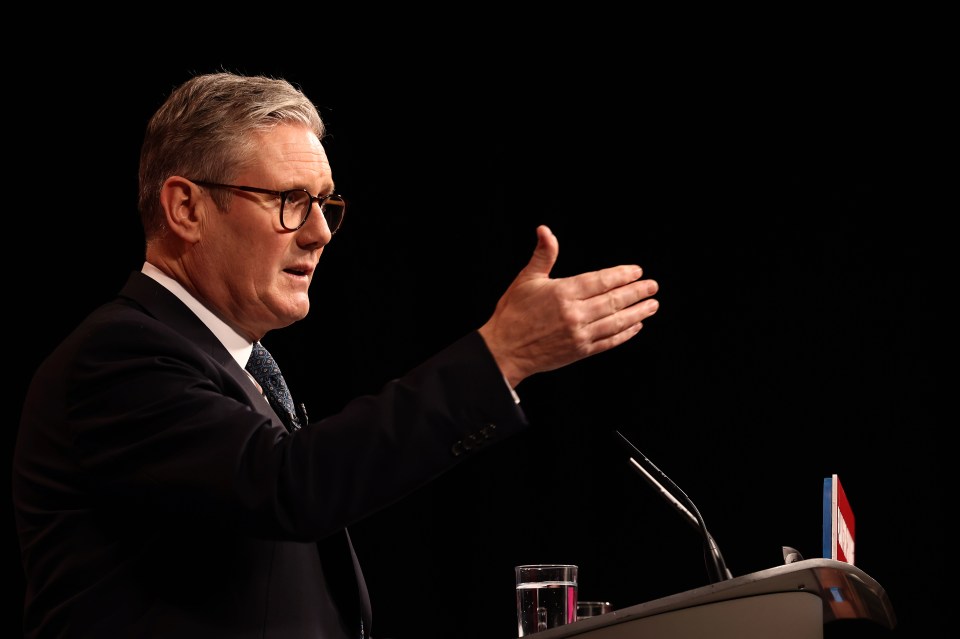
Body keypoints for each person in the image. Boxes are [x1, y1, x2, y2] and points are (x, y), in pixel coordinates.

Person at [11, 71, 659, 639]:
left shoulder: (235, 369)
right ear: (186, 206)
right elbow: (291, 485)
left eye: (325, 204)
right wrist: (499, 357)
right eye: (290, 201)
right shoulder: (119, 357)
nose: (321, 232)